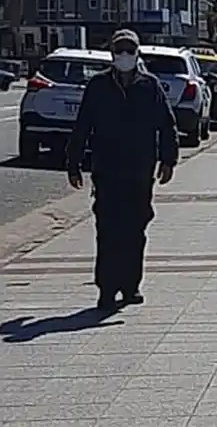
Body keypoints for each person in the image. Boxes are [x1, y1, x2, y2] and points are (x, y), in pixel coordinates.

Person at [66, 28, 179, 311]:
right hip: (107, 171)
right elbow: (82, 125)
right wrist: (74, 162)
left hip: (140, 171)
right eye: (120, 50)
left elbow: (167, 124)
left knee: (135, 230)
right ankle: (107, 288)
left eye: (130, 50)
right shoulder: (98, 86)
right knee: (107, 230)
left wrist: (168, 159)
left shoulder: (149, 86)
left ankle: (130, 286)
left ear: (137, 53)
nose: (125, 55)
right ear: (112, 54)